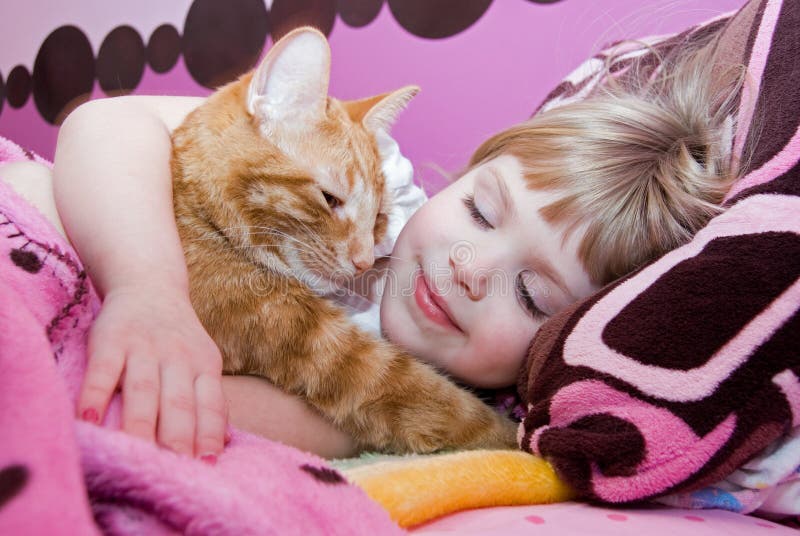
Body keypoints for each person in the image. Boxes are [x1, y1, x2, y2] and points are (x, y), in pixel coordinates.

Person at [0, 25, 743, 462]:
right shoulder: (369, 176)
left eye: (530, 293)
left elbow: (189, 404)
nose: (469, 268)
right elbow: (105, 125)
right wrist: (146, 286)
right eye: (482, 212)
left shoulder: (454, 401)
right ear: (460, 179)